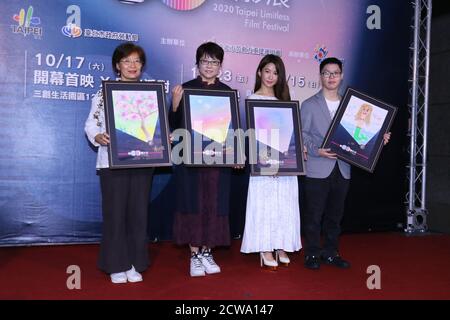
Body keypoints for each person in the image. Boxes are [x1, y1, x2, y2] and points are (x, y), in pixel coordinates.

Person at [300, 57, 390, 270]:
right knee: (313, 215)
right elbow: (301, 136)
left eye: (335, 73)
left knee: (335, 216)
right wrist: (317, 150)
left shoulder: (353, 107)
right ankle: (312, 254)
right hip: (317, 167)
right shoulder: (309, 104)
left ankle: (331, 252)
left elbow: (360, 136)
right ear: (320, 76)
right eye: (326, 73)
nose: (331, 77)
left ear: (341, 76)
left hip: (343, 169)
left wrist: (378, 139)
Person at [84, 42, 154, 283]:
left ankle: (134, 262)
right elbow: (91, 123)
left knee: (138, 213)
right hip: (112, 163)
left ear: (142, 66)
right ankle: (116, 264)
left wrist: (160, 138)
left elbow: (155, 127)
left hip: (142, 163)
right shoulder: (105, 92)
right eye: (127, 61)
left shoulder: (149, 94)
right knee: (115, 214)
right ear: (117, 65)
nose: (132, 66)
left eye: (136, 61)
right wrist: (97, 135)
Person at [169, 42, 232, 277]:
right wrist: (175, 106)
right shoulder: (184, 89)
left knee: (214, 204)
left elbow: (232, 129)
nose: (209, 66)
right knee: (192, 203)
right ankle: (194, 254)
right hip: (191, 160)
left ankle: (207, 251)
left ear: (220, 66)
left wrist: (234, 153)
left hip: (217, 160)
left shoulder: (227, 92)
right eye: (205, 61)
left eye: (214, 62)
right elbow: (173, 129)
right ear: (197, 64)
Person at [240, 54, 302, 270]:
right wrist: (266, 161)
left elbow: (292, 136)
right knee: (264, 203)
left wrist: (297, 147)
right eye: (267, 71)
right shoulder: (252, 100)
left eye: (275, 73)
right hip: (263, 164)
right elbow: (253, 137)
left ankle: (282, 244)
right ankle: (265, 247)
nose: (270, 76)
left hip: (285, 165)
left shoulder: (286, 104)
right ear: (259, 72)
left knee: (284, 202)